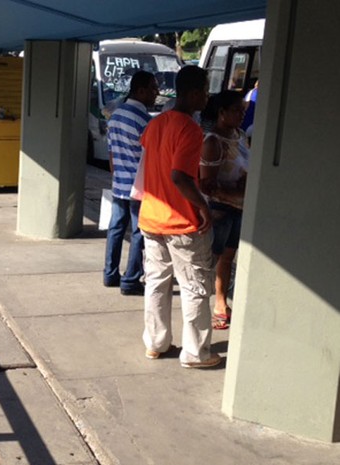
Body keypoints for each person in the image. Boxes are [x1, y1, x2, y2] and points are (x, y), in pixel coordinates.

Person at [138, 66, 221, 369]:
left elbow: (153, 166)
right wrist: (202, 207)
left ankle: (156, 343)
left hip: (151, 218)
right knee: (195, 286)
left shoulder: (155, 124)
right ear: (194, 92)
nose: (207, 96)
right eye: (205, 91)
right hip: (183, 223)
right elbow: (180, 177)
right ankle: (197, 353)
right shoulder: (189, 129)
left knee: (157, 283)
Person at [103, 70, 159, 295]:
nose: (157, 93)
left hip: (119, 184)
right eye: (154, 89)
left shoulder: (115, 116)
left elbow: (111, 156)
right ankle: (131, 280)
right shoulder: (146, 121)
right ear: (141, 90)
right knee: (138, 233)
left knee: (115, 228)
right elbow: (152, 157)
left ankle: (110, 274)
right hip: (139, 187)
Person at [200, 90, 249, 330]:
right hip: (220, 209)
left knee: (228, 258)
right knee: (212, 260)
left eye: (244, 110)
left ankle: (221, 304)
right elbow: (206, 184)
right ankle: (201, 308)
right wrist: (235, 190)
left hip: (239, 208)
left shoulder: (240, 136)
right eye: (237, 110)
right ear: (221, 113)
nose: (242, 114)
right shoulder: (212, 142)